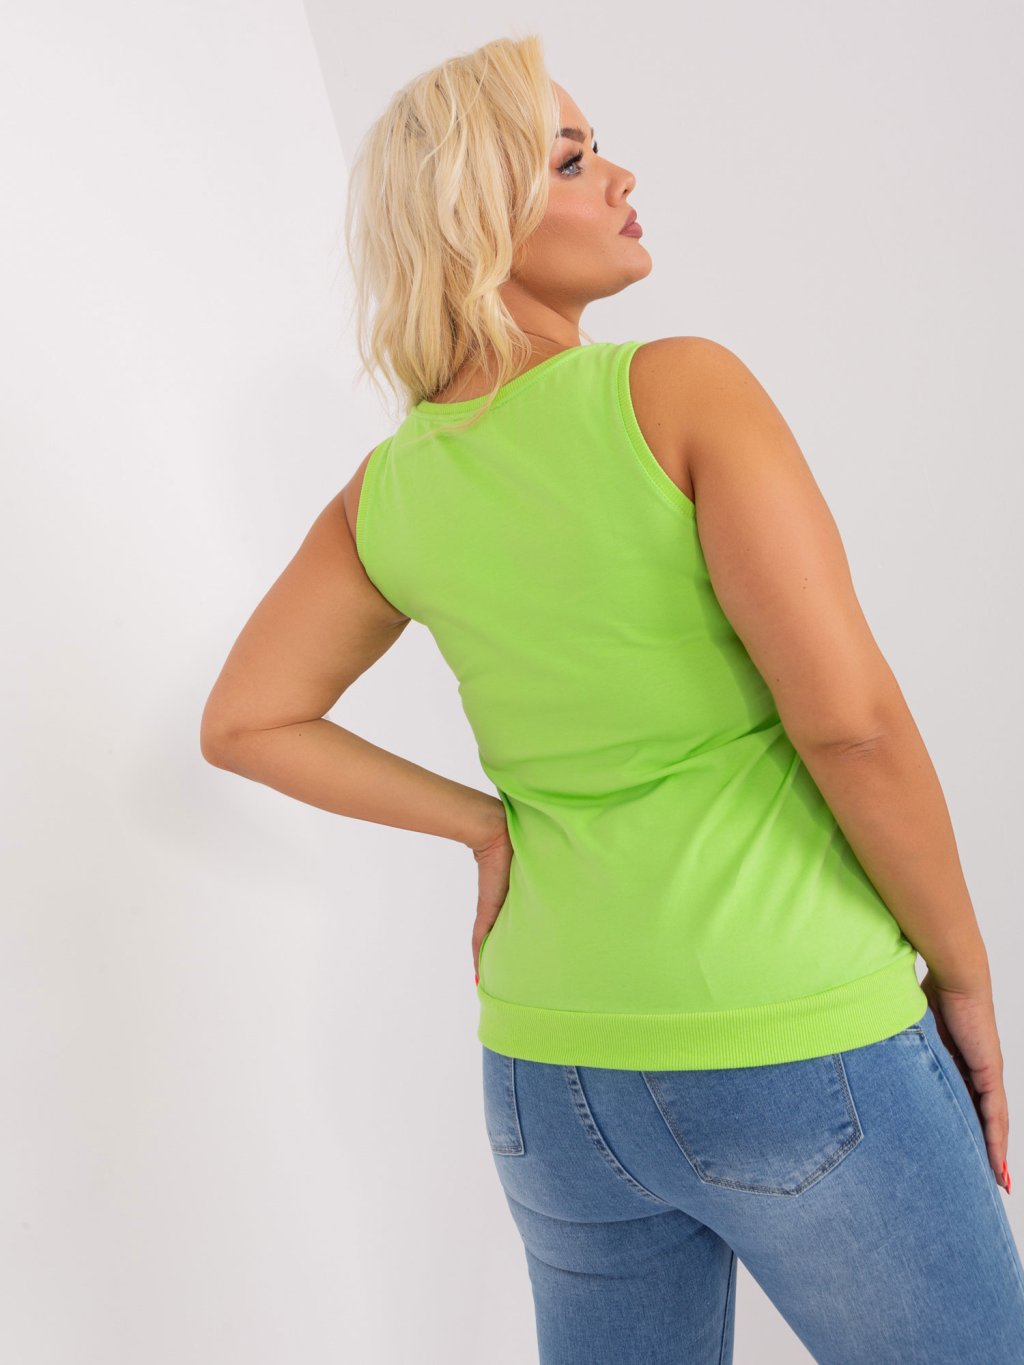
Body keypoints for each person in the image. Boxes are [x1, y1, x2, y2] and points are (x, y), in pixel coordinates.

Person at [199, 33, 1024, 1364]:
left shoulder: (390, 491)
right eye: (574, 160)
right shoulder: (681, 388)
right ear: (478, 217)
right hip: (790, 1028)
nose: (622, 178)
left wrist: (487, 825)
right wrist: (968, 979)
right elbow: (851, 723)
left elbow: (246, 720)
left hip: (552, 1072)